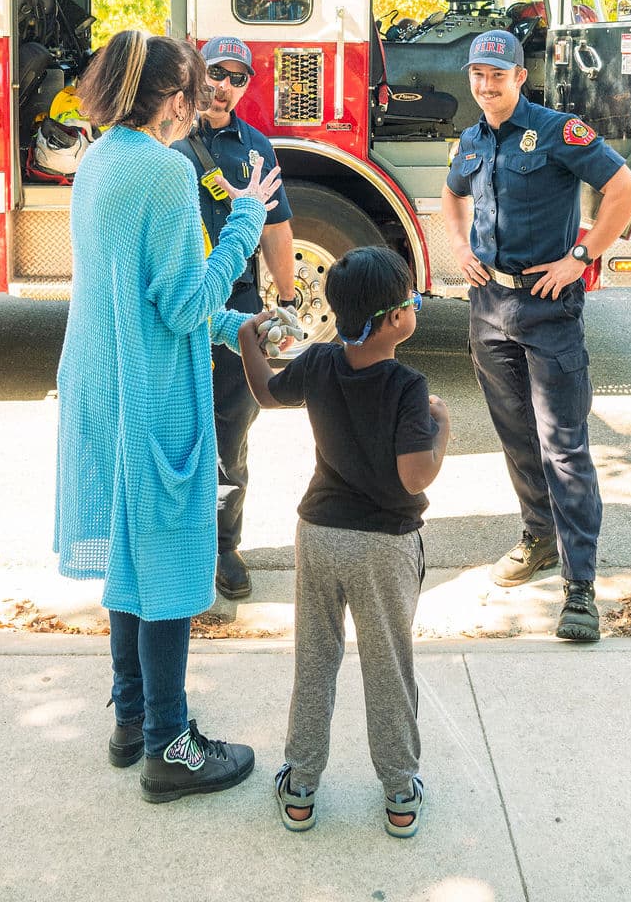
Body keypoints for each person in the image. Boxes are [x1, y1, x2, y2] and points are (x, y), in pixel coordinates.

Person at [54, 29, 284, 803]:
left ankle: (131, 718)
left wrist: (234, 327)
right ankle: (169, 744)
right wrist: (247, 222)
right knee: (165, 566)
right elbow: (185, 302)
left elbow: (145, 292)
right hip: (152, 389)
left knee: (127, 555)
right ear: (176, 99)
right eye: (195, 91)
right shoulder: (162, 170)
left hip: (102, 381)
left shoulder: (98, 161)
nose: (203, 103)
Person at [237, 246, 451, 838]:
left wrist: (251, 340)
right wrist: (443, 430)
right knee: (388, 667)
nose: (413, 308)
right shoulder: (409, 386)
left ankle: (301, 788)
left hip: (321, 535)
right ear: (392, 320)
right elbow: (414, 475)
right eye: (408, 301)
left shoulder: (323, 362)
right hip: (384, 544)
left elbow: (267, 394)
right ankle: (401, 795)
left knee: (315, 661)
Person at [440, 29, 631, 643]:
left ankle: (580, 587)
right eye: (478, 74)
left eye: (497, 75)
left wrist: (581, 256)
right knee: (517, 437)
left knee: (564, 446)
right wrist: (458, 247)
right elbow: (451, 197)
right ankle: (538, 537)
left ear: (519, 77)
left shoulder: (559, 131)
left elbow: (625, 191)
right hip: (489, 306)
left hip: (548, 305)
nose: (486, 84)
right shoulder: (471, 139)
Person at [174, 34, 296, 602]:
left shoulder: (256, 148)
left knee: (231, 430)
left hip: (237, 305)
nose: (223, 86)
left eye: (237, 78)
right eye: (215, 73)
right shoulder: (165, 143)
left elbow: (274, 226)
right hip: (172, 308)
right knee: (172, 427)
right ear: (195, 77)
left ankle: (224, 546)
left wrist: (288, 300)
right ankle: (177, 542)